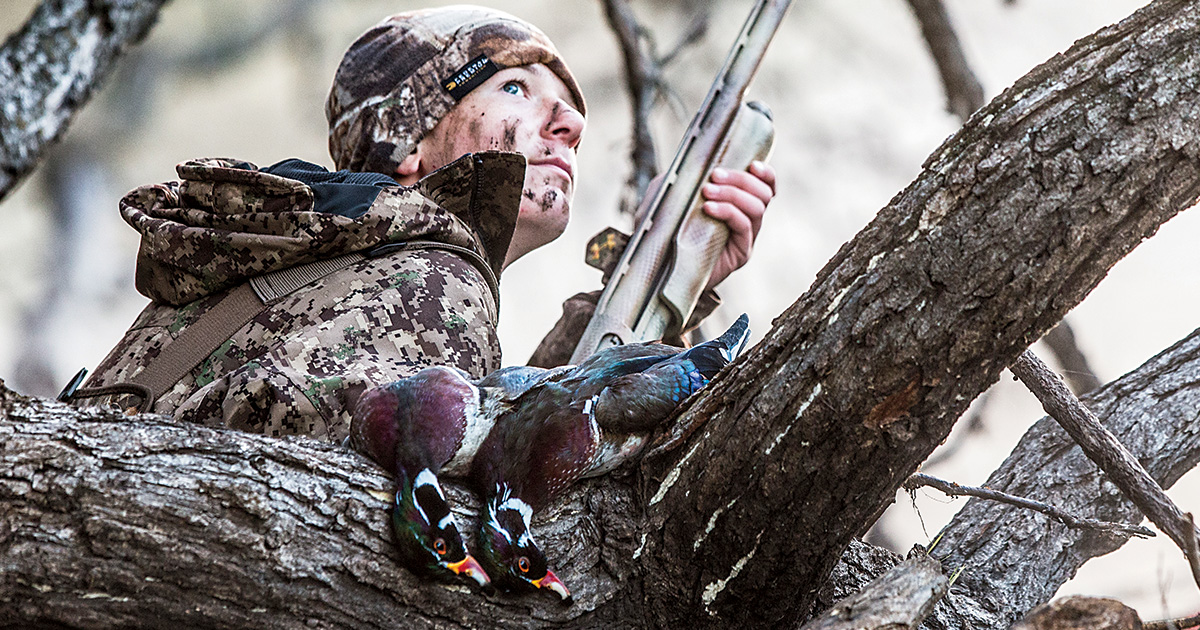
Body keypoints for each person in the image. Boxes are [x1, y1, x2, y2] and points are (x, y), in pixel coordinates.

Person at [70, 6, 774, 443]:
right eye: (517, 88)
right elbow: (451, 520)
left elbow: (487, 448)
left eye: (568, 107)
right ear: (406, 139)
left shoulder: (305, 258)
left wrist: (662, 272)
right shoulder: (434, 276)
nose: (572, 124)